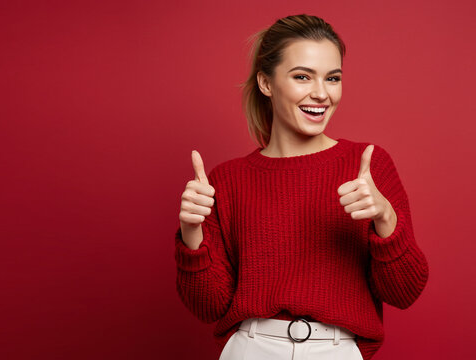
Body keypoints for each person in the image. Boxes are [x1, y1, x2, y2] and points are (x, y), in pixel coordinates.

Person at [175, 14, 429, 360]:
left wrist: (386, 218)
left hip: (336, 350)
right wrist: (192, 235)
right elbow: (209, 306)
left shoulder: (367, 166)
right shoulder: (227, 180)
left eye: (333, 78)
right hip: (251, 349)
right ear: (266, 83)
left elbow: (405, 292)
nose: (321, 93)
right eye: (302, 77)